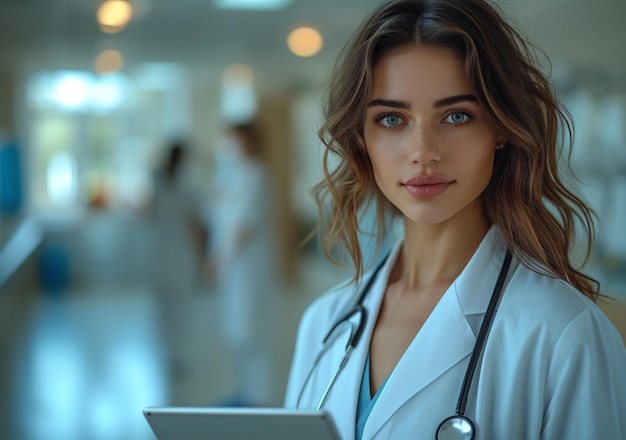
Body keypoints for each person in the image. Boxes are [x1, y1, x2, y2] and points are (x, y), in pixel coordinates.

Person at [284, 1, 626, 439]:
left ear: (501, 128)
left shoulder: (563, 334)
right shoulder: (325, 322)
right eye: (391, 119)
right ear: (361, 138)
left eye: (457, 116)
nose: (423, 151)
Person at [208, 123, 279, 406]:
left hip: (248, 266)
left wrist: (219, 259)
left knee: (254, 330)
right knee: (237, 331)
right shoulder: (233, 175)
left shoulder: (258, 174)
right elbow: (220, 218)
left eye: (236, 141)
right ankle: (242, 391)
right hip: (232, 269)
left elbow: (245, 226)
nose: (232, 147)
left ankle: (258, 396)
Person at [150, 141, 206, 390]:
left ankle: (168, 353)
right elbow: (195, 227)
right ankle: (179, 356)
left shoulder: (157, 184)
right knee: (181, 310)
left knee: (165, 310)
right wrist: (202, 257)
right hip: (180, 254)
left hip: (160, 252)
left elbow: (149, 214)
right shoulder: (187, 188)